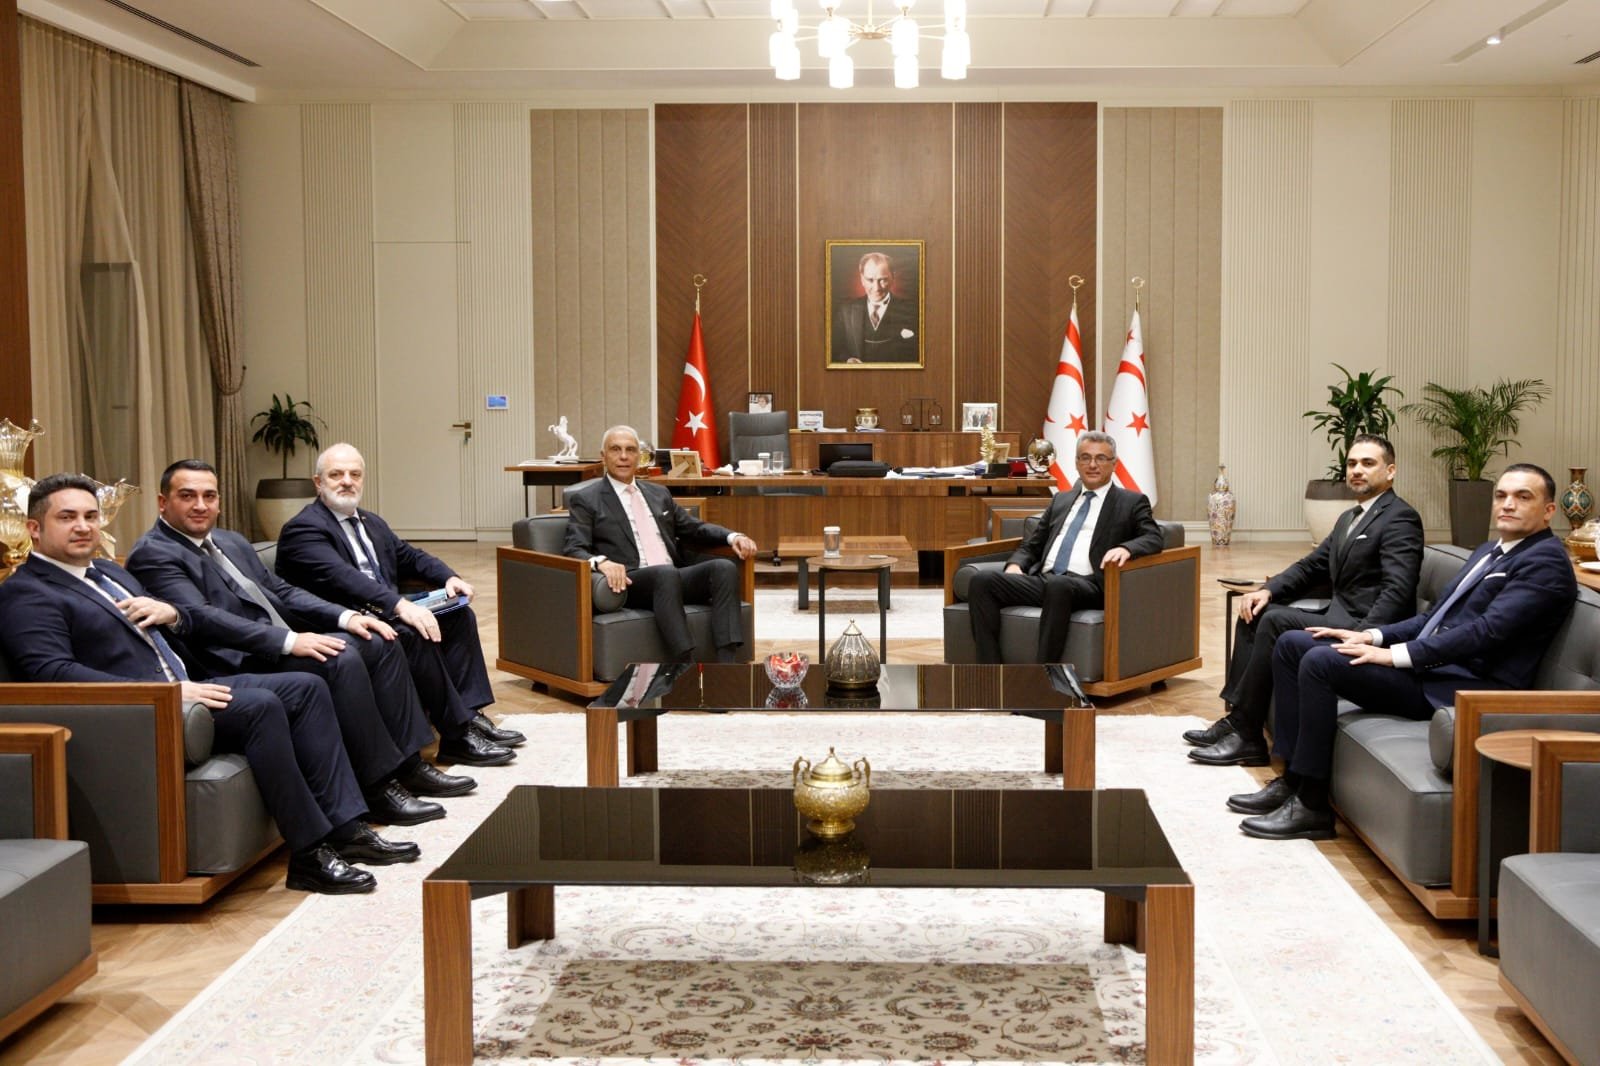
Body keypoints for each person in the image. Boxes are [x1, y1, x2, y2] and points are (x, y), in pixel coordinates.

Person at [0, 473, 418, 894]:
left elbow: (180, 615)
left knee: (305, 688)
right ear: (35, 528)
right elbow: (53, 674)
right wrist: (165, 694)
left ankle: (347, 829)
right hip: (143, 712)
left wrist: (173, 614)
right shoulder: (26, 593)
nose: (83, 526)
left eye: (90, 516)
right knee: (261, 707)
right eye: (67, 517)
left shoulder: (109, 572)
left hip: (188, 685)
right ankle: (309, 854)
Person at [1233, 464, 1578, 841]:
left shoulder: (1545, 562)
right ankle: (1292, 778)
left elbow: (1484, 633)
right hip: (1434, 670)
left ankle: (1312, 805)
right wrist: (1372, 636)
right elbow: (1434, 618)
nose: (1508, 504)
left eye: (1523, 497)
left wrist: (1397, 655)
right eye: (1501, 495)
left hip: (1464, 689)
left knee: (1320, 662)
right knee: (1293, 643)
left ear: (1549, 510)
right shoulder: (1489, 551)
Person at [127, 459, 478, 827]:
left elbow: (281, 591)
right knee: (340, 659)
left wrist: (346, 617)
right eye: (187, 496)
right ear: (163, 502)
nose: (200, 505)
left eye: (209, 496)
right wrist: (288, 640)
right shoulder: (155, 553)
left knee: (379, 639)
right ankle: (377, 789)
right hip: (236, 659)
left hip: (279, 640)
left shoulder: (230, 541)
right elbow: (204, 619)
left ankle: (409, 766)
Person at [274, 443, 522, 766]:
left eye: (354, 474)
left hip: (384, 610)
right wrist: (399, 606)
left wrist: (449, 577)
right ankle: (457, 734)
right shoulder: (304, 529)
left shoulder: (370, 521)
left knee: (458, 615)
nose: (347, 481)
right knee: (412, 631)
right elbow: (344, 579)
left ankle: (470, 715)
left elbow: (409, 556)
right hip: (343, 620)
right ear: (318, 482)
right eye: (336, 475)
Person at [1187, 434, 1423, 766]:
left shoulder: (1400, 517)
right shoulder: (1349, 517)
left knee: (1274, 620)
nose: (1357, 470)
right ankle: (1239, 722)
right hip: (1338, 615)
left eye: (1368, 463)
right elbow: (1312, 566)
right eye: (1352, 463)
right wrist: (1268, 590)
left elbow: (1397, 590)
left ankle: (1247, 732)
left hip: (1360, 628)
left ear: (1390, 471)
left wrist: (1366, 635)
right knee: (1256, 609)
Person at [967, 430, 1166, 664]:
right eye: (1085, 457)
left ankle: (1043, 674)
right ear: (1077, 463)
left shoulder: (1131, 501)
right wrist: (1015, 566)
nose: (1092, 465)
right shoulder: (1061, 500)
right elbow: (1032, 545)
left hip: (1089, 585)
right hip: (1045, 580)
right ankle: (991, 671)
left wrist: (1127, 548)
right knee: (982, 581)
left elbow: (1153, 537)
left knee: (1058, 585)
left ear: (1114, 464)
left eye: (1101, 458)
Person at [564, 424, 758, 662]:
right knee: (665, 574)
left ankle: (727, 665)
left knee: (723, 568)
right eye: (615, 449)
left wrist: (733, 536)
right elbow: (574, 548)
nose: (624, 456)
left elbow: (693, 527)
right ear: (603, 456)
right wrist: (601, 562)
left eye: (630, 450)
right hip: (631, 583)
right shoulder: (586, 499)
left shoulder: (659, 493)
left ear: (639, 457)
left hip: (672, 577)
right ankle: (685, 663)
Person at [831, 252, 918, 364]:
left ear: (893, 277)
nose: (876, 288)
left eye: (883, 280)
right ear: (862, 279)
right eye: (870, 280)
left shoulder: (912, 311)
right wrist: (847, 360)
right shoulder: (846, 311)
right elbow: (835, 348)